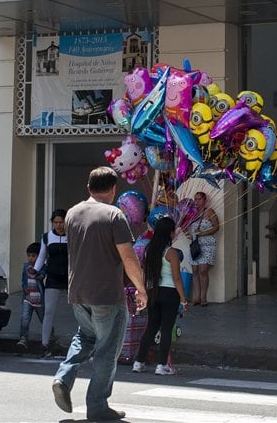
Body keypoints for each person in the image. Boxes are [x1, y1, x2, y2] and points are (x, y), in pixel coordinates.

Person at [51, 167, 147, 422]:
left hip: (78, 292)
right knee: (108, 348)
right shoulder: (114, 215)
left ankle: (63, 376)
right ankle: (97, 405)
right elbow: (128, 256)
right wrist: (141, 288)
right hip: (106, 293)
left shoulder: (72, 213)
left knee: (85, 336)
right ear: (113, 189)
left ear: (89, 188)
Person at [132, 216, 189, 375]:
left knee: (151, 328)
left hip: (153, 292)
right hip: (170, 293)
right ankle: (162, 365)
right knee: (166, 329)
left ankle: (138, 362)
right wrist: (184, 300)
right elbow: (177, 278)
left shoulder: (148, 249)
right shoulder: (171, 253)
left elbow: (145, 273)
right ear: (170, 233)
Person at [33, 208, 68, 357]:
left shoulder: (73, 236)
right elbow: (41, 256)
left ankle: (85, 344)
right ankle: (44, 344)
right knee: (48, 312)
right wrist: (35, 269)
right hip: (53, 278)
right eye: (56, 222)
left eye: (61, 222)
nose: (59, 225)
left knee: (81, 312)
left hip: (70, 278)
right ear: (52, 223)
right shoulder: (47, 237)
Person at [189, 191, 219, 306]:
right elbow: (186, 226)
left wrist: (202, 233)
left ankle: (203, 298)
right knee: (195, 271)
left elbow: (216, 227)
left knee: (203, 270)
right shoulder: (192, 213)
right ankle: (196, 298)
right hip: (195, 245)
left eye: (199, 199)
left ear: (205, 200)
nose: (196, 202)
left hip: (207, 245)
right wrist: (188, 234)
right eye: (195, 199)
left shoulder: (209, 212)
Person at [17, 242, 45, 349]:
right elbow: (24, 279)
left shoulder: (42, 267)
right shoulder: (25, 267)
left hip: (38, 299)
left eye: (33, 256)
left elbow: (42, 276)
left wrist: (37, 273)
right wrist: (24, 287)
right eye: (29, 256)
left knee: (44, 318)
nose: (30, 258)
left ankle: (49, 336)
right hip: (28, 298)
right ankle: (23, 339)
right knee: (25, 319)